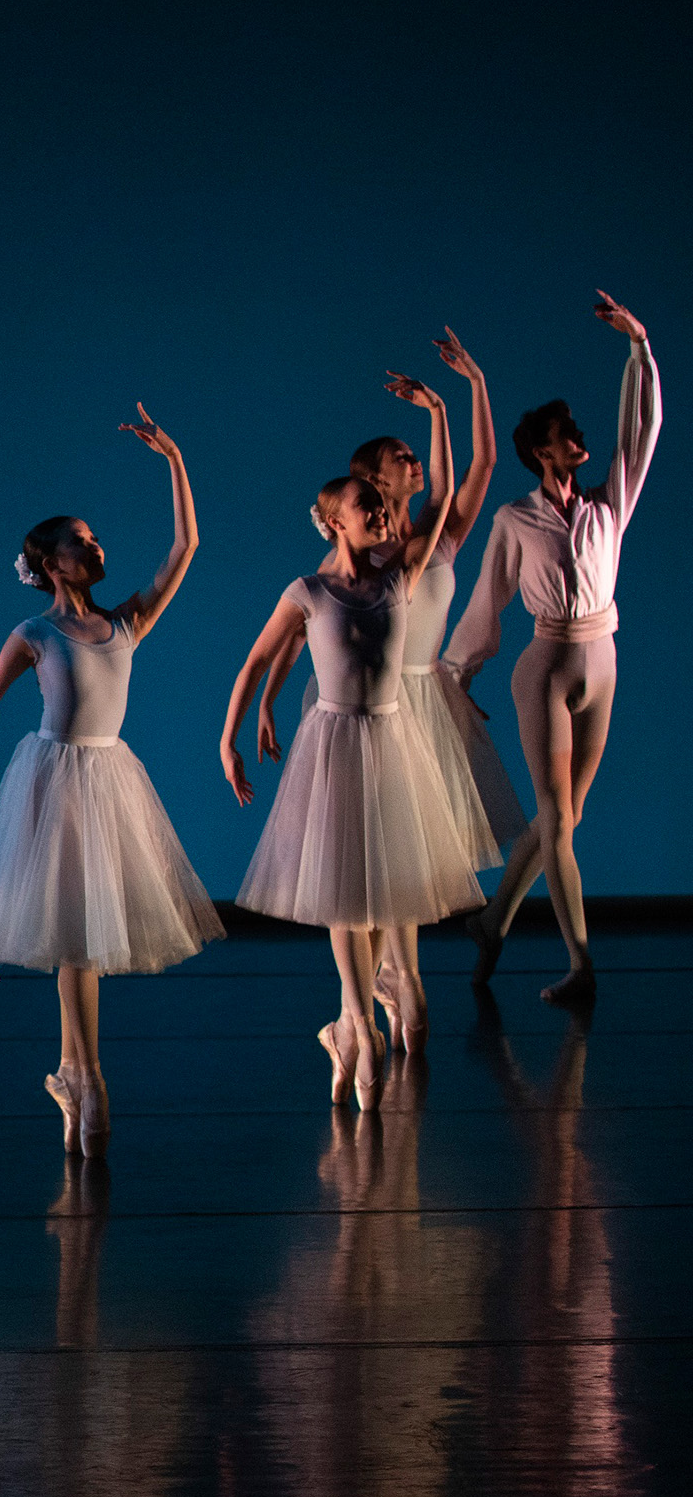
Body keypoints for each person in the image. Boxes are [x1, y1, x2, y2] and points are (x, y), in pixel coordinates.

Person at [0, 406, 221, 1156]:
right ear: (53, 563)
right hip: (51, 778)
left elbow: (186, 546)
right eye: (81, 541)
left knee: (86, 939)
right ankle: (86, 1075)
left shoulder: (126, 622)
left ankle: (77, 1071)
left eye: (97, 539)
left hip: (108, 777)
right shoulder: (35, 634)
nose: (96, 546)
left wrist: (173, 457)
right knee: (72, 935)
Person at [220, 410, 484, 1111]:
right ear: (337, 521)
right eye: (368, 507)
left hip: (392, 738)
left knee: (381, 891)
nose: (383, 516)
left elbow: (450, 492)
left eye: (382, 508)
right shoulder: (308, 591)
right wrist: (233, 733)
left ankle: (351, 1023)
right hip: (335, 742)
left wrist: (440, 413)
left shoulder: (399, 575)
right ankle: (360, 1027)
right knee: (345, 889)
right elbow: (255, 660)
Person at [258, 346, 516, 1053]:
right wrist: (267, 700)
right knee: (373, 853)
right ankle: (386, 985)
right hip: (367, 704)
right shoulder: (359, 556)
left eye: (415, 453)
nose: (415, 462)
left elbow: (481, 468)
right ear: (366, 483)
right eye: (401, 455)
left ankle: (397, 983)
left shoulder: (432, 536)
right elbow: (293, 629)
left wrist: (461, 393)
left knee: (412, 855)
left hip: (423, 696)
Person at [445, 295, 660, 1007]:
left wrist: (639, 347)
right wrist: (459, 670)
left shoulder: (606, 506)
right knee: (558, 818)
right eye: (567, 432)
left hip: (602, 661)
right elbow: (489, 596)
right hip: (544, 671)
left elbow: (643, 430)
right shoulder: (515, 518)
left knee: (563, 819)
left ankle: (494, 921)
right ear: (542, 448)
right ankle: (582, 964)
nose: (580, 438)